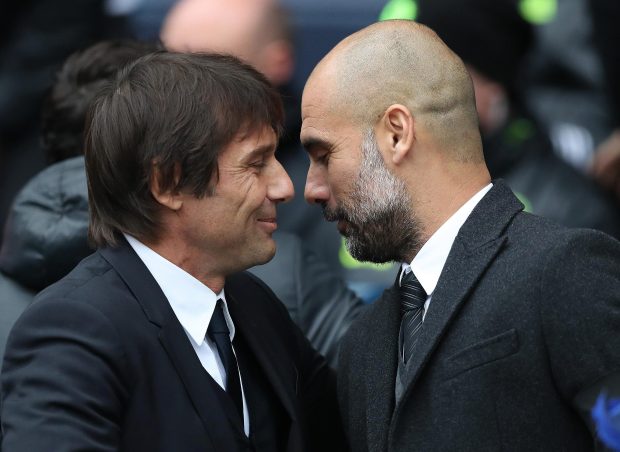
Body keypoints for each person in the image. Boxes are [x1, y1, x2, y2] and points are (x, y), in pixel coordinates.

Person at [1, 51, 346, 451]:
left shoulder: (255, 308)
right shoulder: (72, 333)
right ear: (167, 183)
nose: (285, 187)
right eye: (256, 164)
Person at [300, 20, 620, 451]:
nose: (310, 189)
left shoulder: (563, 271)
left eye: (324, 155)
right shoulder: (365, 344)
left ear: (396, 133)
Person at [161, 0, 399, 301]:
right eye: (165, 62)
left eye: (202, 69)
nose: (169, 90)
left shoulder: (337, 179)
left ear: (278, 61)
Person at [414, 0, 620, 239]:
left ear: (494, 89)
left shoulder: (570, 208)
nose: (421, 91)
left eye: (444, 73)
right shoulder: (400, 179)